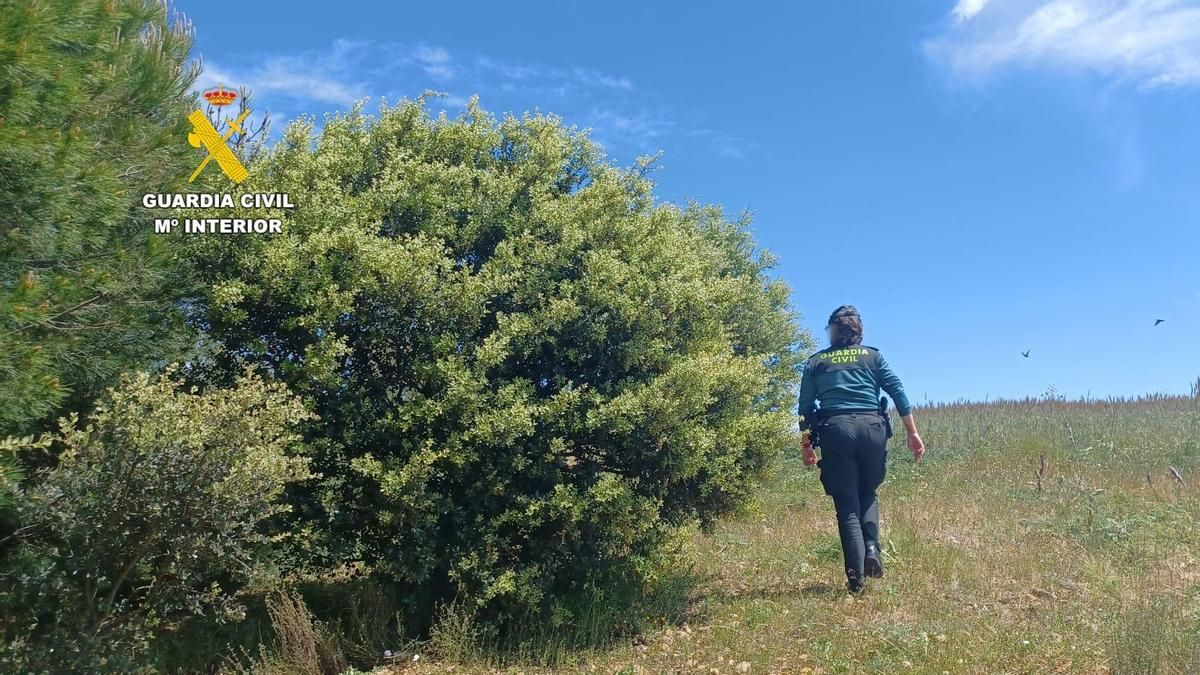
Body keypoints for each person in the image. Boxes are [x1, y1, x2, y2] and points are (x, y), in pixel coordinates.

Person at [797, 305, 925, 594]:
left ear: (832, 331)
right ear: (858, 330)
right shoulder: (873, 357)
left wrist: (806, 445)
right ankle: (871, 549)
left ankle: (856, 581)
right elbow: (898, 392)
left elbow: (805, 408)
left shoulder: (816, 363)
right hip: (872, 428)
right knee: (868, 492)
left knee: (846, 504)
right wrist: (912, 432)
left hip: (836, 430)